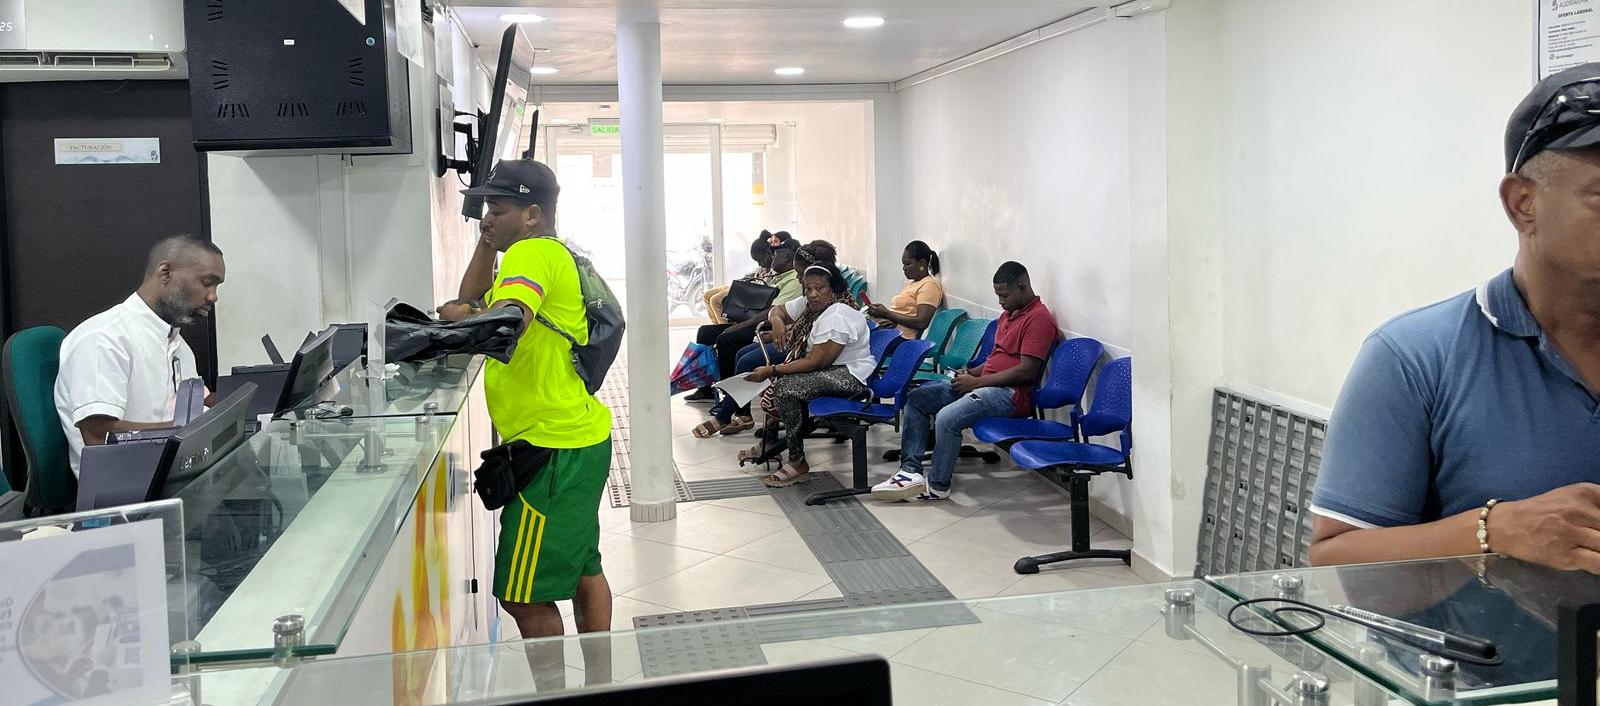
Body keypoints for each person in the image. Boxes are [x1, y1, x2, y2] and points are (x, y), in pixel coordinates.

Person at [1307, 63, 1600, 573]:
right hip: (1472, 654)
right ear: (1522, 204)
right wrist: (1495, 532)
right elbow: (1335, 562)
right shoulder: (1415, 358)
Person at [440, 159, 615, 685]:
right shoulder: (542, 253)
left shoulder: (533, 253)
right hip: (575, 438)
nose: (487, 216)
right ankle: (599, 685)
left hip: (551, 448)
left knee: (521, 593)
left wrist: (462, 319)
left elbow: (502, 318)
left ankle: (556, 695)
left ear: (533, 214)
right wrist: (484, 248)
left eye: (500, 207)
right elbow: (472, 300)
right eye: (486, 207)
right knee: (585, 566)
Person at [872, 261, 1058, 502]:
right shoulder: (1008, 316)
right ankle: (910, 472)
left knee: (948, 418)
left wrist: (977, 383)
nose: (1001, 301)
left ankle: (938, 486)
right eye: (998, 295)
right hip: (985, 384)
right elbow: (995, 360)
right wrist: (969, 373)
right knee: (916, 399)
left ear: (1023, 287)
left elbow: (1026, 372)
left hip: (1010, 395)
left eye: (1004, 295)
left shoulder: (1038, 319)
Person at [55, 235, 224, 476]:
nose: (213, 296)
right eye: (207, 282)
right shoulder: (104, 338)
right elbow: (97, 435)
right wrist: (191, 432)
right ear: (165, 272)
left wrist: (256, 401)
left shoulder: (175, 342)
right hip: (124, 490)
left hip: (168, 471)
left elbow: (200, 403)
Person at [740, 262, 874, 487]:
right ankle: (770, 444)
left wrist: (772, 370)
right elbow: (778, 310)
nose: (812, 294)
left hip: (851, 377)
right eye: (808, 289)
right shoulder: (814, 305)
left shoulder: (837, 315)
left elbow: (816, 362)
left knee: (785, 387)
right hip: (830, 371)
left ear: (833, 288)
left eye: (819, 288)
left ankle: (797, 462)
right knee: (780, 382)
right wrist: (777, 322)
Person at [683, 239, 800, 403]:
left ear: (787, 257)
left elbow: (771, 312)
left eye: (776, 255)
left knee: (726, 339)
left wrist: (739, 326)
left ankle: (728, 394)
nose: (772, 259)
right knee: (705, 332)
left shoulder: (794, 280)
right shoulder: (777, 275)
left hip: (765, 327)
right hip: (753, 321)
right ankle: (705, 387)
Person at [866, 241, 945, 338]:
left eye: (908, 264)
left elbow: (921, 322)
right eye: (903, 264)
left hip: (901, 338)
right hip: (891, 330)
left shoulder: (929, 285)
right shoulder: (911, 283)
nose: (904, 268)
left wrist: (886, 313)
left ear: (922, 264)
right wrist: (881, 312)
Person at [701, 234, 776, 324]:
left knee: (715, 300)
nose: (759, 264)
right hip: (744, 283)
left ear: (768, 254)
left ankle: (723, 329)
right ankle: (715, 324)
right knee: (707, 295)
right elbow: (751, 275)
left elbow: (765, 285)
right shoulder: (762, 266)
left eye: (760, 260)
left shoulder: (775, 266)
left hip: (750, 289)